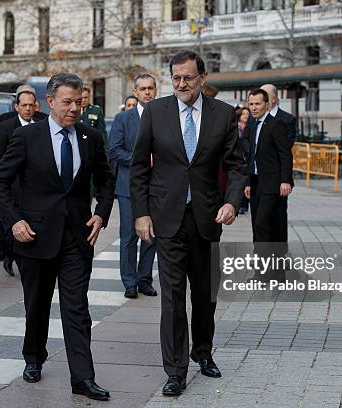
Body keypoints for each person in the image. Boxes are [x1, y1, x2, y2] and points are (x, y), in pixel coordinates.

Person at [0, 72, 115, 400]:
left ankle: (83, 378)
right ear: (50, 102)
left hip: (77, 238)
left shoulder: (90, 137)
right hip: (34, 235)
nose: (74, 108)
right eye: (67, 102)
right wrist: (14, 221)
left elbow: (106, 180)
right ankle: (34, 356)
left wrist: (101, 213)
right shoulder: (27, 136)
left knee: (77, 308)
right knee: (38, 303)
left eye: (79, 101)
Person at [130, 50, 246, 396]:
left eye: (188, 78)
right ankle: (176, 369)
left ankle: (203, 352)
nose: (182, 84)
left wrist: (232, 201)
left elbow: (237, 166)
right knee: (172, 296)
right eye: (176, 78)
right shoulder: (155, 112)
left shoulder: (223, 114)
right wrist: (141, 213)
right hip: (167, 219)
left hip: (207, 218)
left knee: (205, 294)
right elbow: (138, 167)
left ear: (202, 78)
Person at [107, 73, 158, 299]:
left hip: (156, 187)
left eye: (151, 88)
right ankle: (129, 282)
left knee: (151, 235)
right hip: (128, 187)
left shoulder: (163, 117)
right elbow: (114, 150)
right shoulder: (123, 119)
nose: (147, 92)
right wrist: (141, 160)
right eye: (143, 89)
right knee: (129, 236)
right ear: (135, 93)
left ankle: (144, 279)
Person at [0, 87, 41, 276]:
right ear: (16, 107)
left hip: (36, 188)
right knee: (12, 226)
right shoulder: (5, 127)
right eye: (24, 105)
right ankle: (11, 256)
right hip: (12, 187)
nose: (28, 109)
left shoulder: (43, 122)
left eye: (31, 105)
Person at [243, 88, 293, 244]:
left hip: (272, 183)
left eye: (258, 104)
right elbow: (251, 156)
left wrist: (285, 180)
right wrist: (248, 183)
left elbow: (285, 154)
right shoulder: (253, 124)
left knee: (262, 223)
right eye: (251, 104)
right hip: (256, 183)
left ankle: (266, 263)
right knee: (257, 223)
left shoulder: (276, 124)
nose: (254, 107)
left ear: (267, 104)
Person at [260, 84, 296, 252]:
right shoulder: (256, 119)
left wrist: (285, 180)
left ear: (272, 99)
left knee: (279, 217)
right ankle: (261, 256)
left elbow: (285, 150)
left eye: (264, 96)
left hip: (277, 179)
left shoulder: (286, 119)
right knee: (260, 221)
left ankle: (280, 254)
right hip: (259, 179)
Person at [237, 107, 251, 214]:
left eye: (247, 113)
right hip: (239, 158)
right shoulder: (236, 127)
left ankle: (245, 205)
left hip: (249, 159)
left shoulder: (252, 126)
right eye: (243, 114)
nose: (246, 115)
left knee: (247, 182)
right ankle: (240, 204)